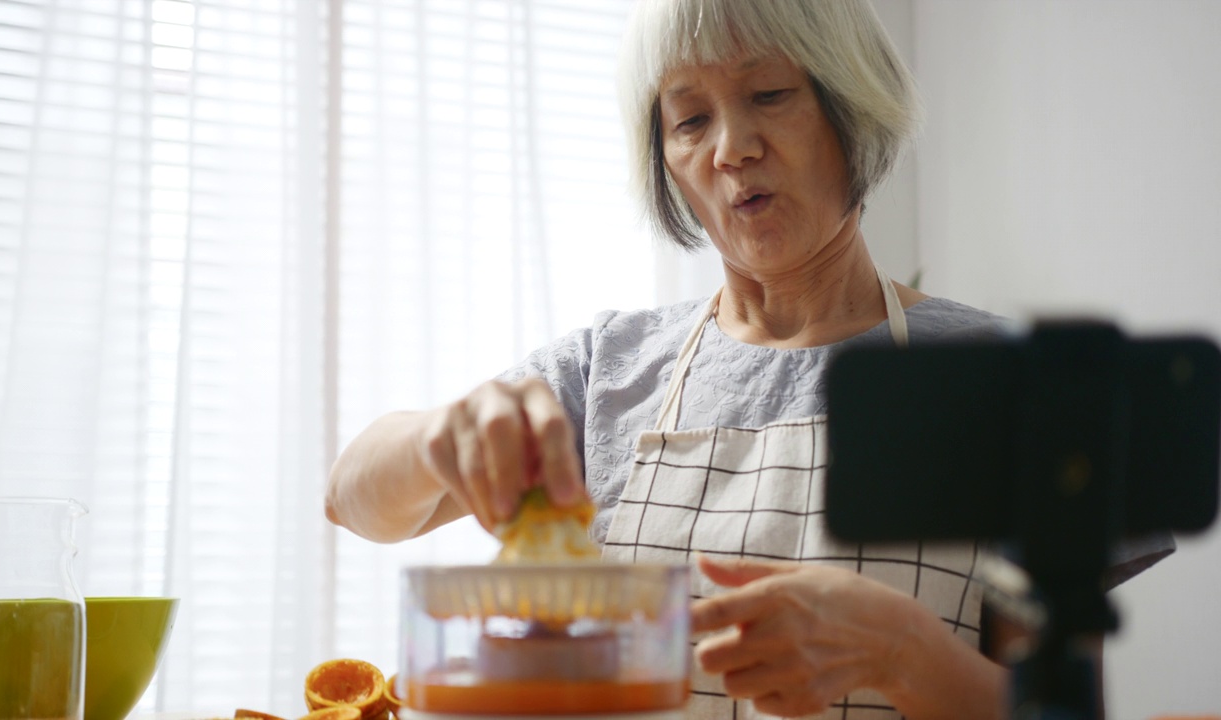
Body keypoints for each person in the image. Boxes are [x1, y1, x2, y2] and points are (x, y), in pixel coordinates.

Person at [326, 1, 1171, 718]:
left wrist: (901, 652)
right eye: (689, 119)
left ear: (851, 109)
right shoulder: (609, 368)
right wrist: (444, 431)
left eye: (770, 94)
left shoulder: (1003, 380)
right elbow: (352, 498)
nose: (731, 147)